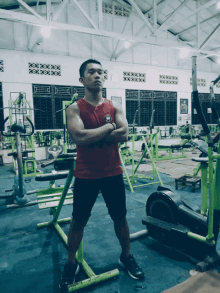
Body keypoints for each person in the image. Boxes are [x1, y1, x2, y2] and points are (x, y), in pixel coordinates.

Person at [59, 59, 145, 290]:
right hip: (86, 175)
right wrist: (108, 128)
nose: (97, 75)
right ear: (82, 79)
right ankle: (70, 263)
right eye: (91, 72)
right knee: (78, 221)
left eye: (100, 72)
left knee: (120, 217)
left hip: (112, 173)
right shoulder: (74, 108)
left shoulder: (114, 106)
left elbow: (125, 134)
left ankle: (126, 256)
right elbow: (79, 138)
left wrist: (94, 134)